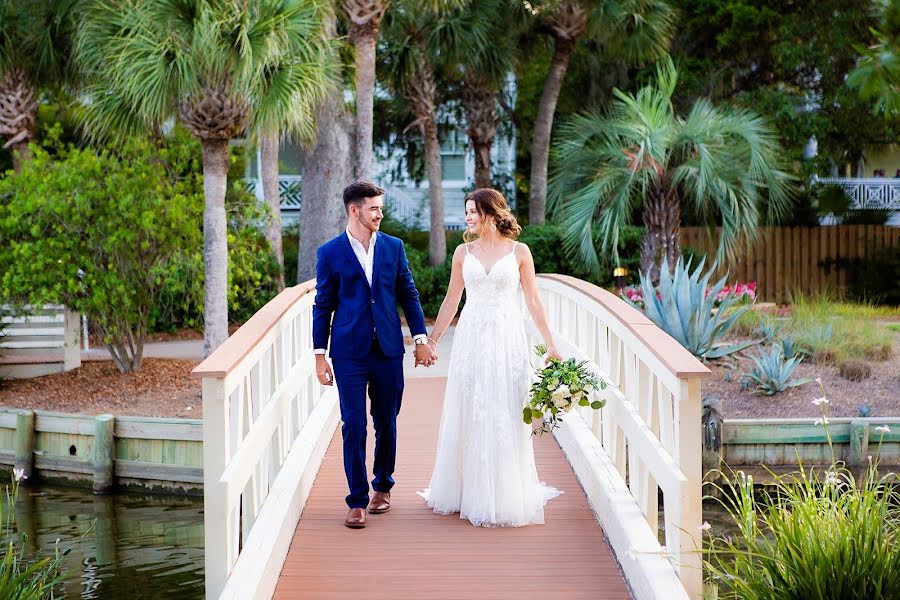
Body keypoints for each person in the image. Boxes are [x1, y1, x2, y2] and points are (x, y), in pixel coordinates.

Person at [418, 188, 563, 527]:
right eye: (466, 211)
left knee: (506, 409)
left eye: (473, 211)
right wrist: (434, 340)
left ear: (491, 213)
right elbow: (452, 299)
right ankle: (465, 488)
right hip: (471, 338)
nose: (467, 216)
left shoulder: (520, 252)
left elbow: (534, 302)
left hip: (507, 338)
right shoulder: (462, 252)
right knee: (470, 406)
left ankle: (505, 489)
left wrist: (552, 345)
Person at [313, 181, 437, 529]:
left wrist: (420, 338)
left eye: (380, 209)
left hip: (387, 350)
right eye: (374, 209)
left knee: (386, 421)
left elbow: (408, 295)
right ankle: (357, 499)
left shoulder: (394, 248)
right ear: (355, 210)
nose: (380, 214)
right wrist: (319, 355)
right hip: (348, 352)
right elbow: (322, 305)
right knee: (353, 425)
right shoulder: (330, 252)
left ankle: (383, 486)